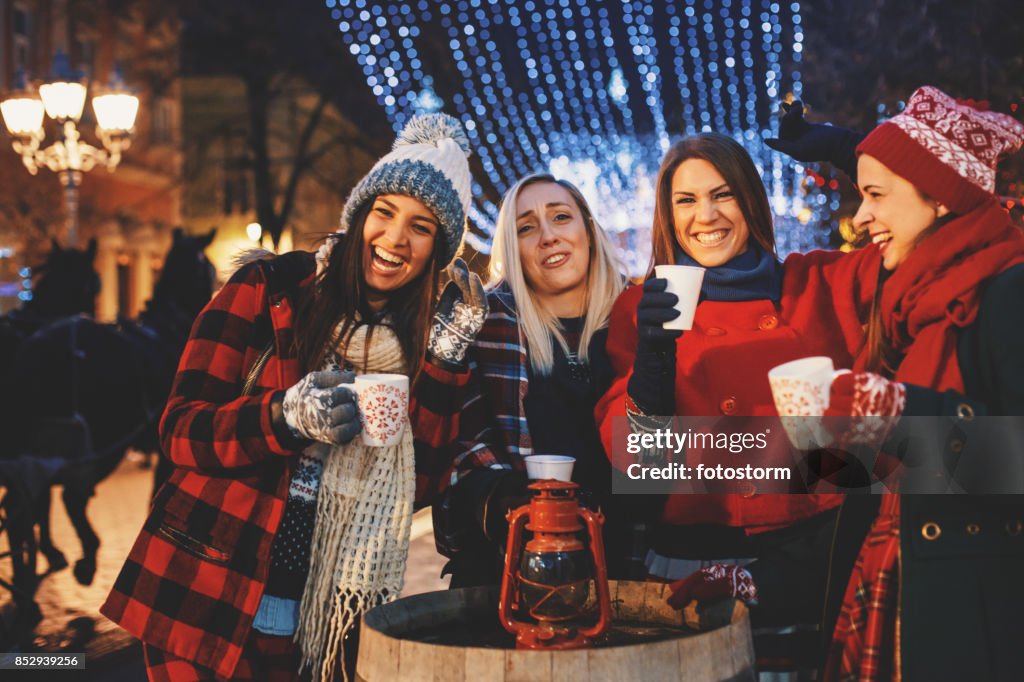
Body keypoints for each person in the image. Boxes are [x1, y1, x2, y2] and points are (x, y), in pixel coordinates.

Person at [100, 113, 487, 682]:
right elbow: (181, 431)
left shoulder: (422, 343)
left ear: (438, 250)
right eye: (384, 212)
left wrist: (449, 357)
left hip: (318, 615)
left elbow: (421, 482)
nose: (396, 238)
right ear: (359, 216)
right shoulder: (269, 291)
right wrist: (283, 418)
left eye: (422, 226)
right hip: (207, 586)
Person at [775, 87, 1024, 681]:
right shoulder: (907, 305)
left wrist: (895, 414)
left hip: (973, 632)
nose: (860, 219)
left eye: (875, 196)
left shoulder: (1007, 293)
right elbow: (870, 500)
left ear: (939, 199)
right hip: (893, 603)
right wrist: (822, 452)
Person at [595, 132, 883, 642]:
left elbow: (946, 243)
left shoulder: (820, 282)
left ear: (750, 200)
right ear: (668, 214)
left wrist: (860, 156)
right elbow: (640, 465)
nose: (705, 216)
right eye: (686, 200)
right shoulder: (642, 309)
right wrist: (654, 359)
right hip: (687, 566)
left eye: (722, 194)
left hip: (814, 556)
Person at [422, 173, 640, 587]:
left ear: (588, 232)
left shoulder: (642, 318)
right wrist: (507, 498)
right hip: (514, 574)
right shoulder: (485, 326)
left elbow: (664, 471)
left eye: (561, 217)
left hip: (633, 566)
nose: (547, 236)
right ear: (512, 249)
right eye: (526, 227)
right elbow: (453, 456)